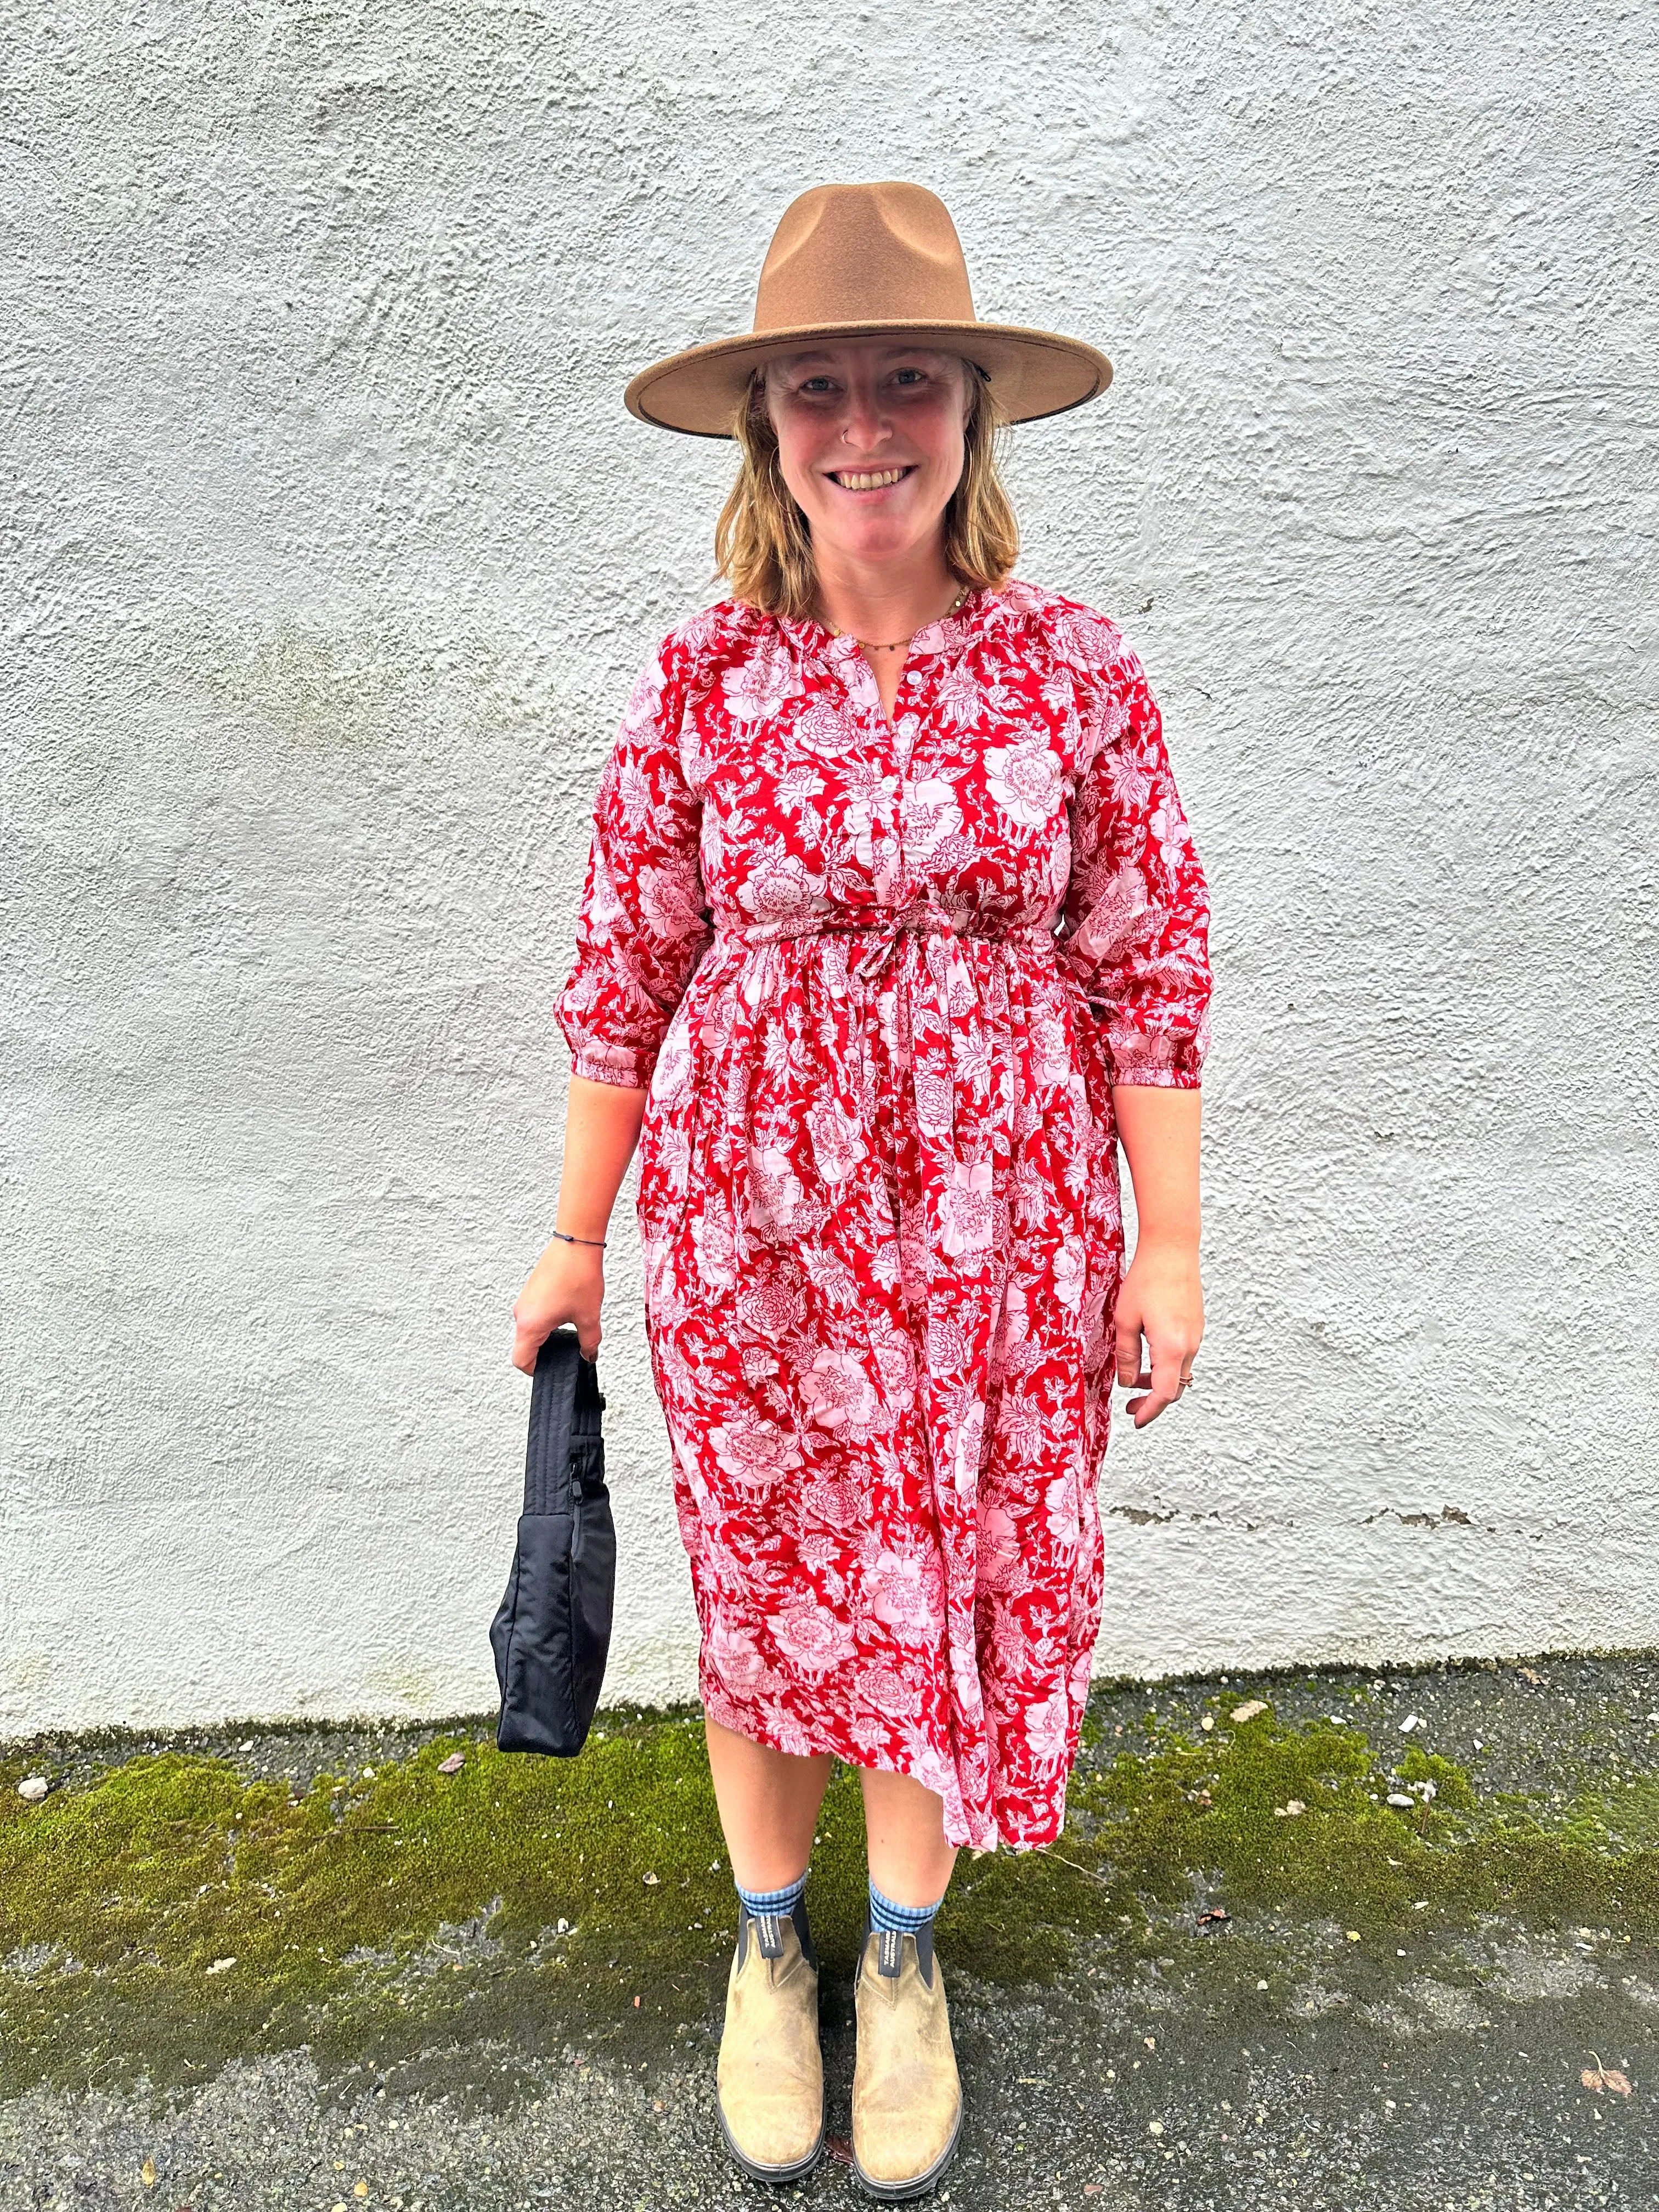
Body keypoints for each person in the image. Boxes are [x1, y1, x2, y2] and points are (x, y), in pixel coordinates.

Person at [511, 180, 1212, 2198]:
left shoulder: (1076, 672)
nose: (865, 423)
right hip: (756, 1244)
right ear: (769, 429)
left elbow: (1148, 962)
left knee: (947, 1583)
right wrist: (574, 1236)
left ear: (973, 409)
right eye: (821, 386)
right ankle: (766, 1951)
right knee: (773, 1588)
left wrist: (1167, 1244)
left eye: (907, 378)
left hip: (1001, 1242)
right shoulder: (703, 685)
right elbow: (621, 972)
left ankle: (900, 1967)